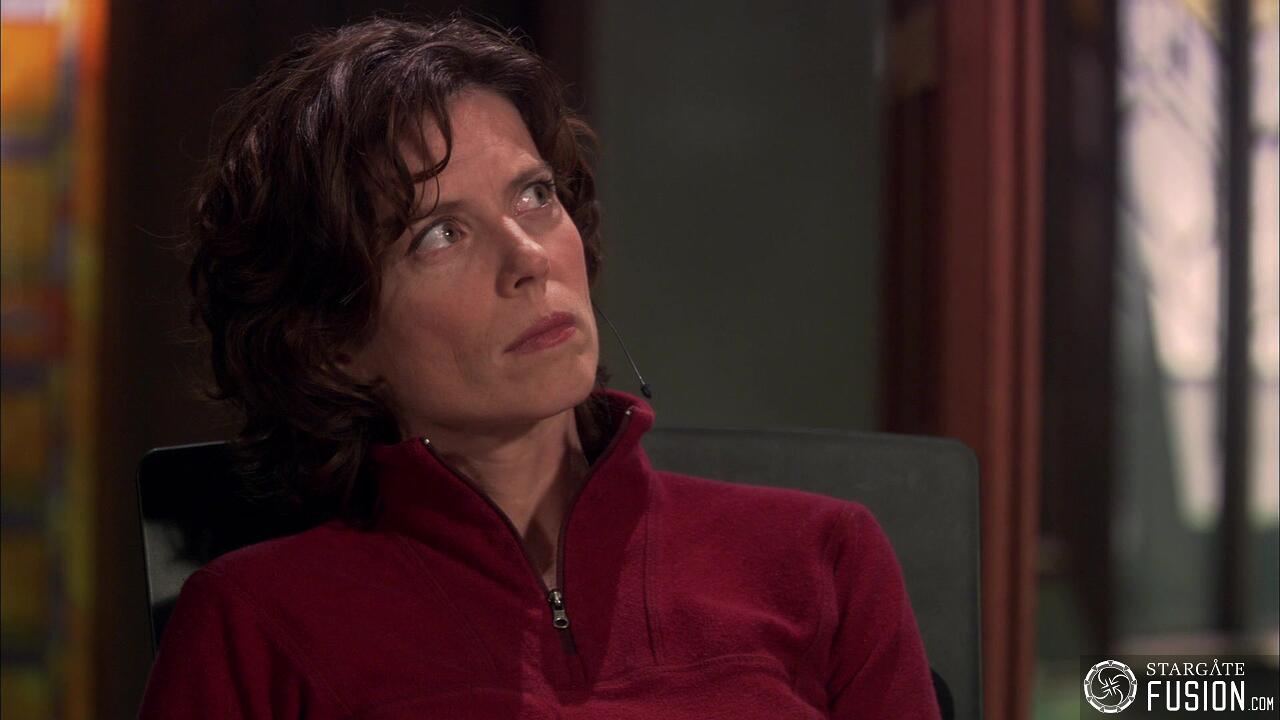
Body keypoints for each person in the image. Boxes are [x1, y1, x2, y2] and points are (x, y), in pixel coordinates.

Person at [139, 15, 942, 719]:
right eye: (439, 235)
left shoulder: (822, 558)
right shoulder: (252, 623)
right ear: (332, 342)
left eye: (533, 196)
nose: (528, 257)